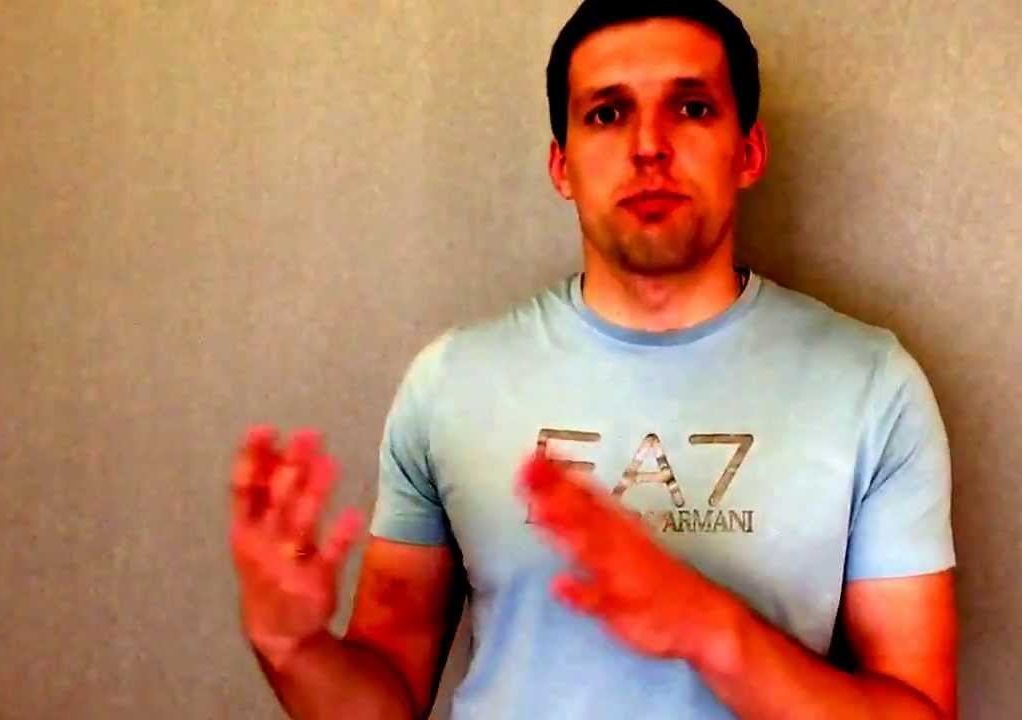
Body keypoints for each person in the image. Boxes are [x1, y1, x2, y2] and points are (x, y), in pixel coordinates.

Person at [228, 0, 958, 717]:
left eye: (692, 108)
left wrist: (714, 631)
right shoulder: (451, 383)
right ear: (562, 165)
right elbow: (381, 704)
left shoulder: (871, 386)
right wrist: (292, 648)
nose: (649, 146)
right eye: (607, 114)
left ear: (749, 151)